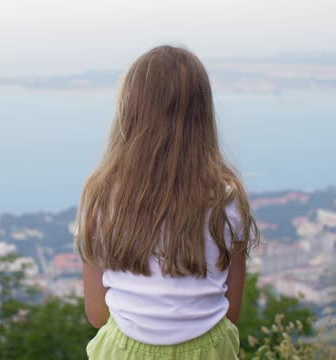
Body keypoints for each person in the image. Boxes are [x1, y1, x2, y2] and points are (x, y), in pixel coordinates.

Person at [74, 45, 259, 359]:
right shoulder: (228, 197)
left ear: (129, 111)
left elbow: (97, 315)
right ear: (203, 115)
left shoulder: (101, 194)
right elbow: (232, 310)